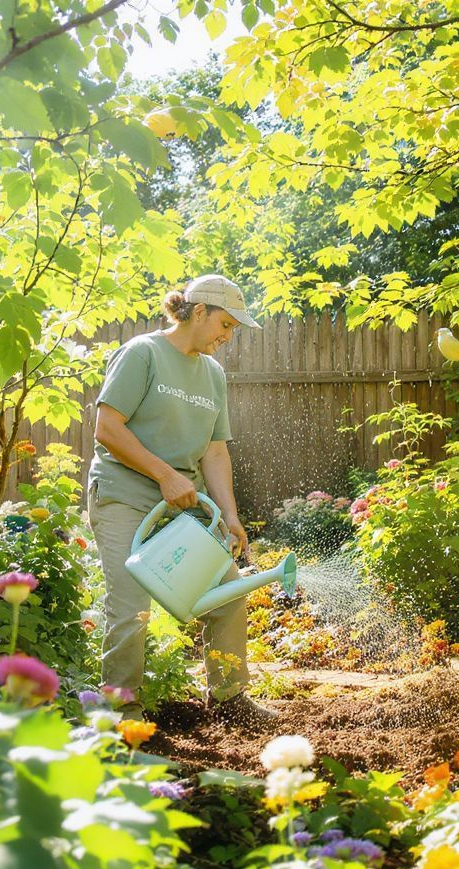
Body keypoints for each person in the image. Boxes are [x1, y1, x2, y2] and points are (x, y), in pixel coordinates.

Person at [87, 274, 275, 724]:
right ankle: (121, 708)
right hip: (124, 496)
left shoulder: (212, 373)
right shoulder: (142, 353)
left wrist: (230, 516)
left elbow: (214, 450)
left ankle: (229, 700)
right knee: (132, 607)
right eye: (225, 325)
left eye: (234, 329)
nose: (228, 337)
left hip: (183, 504)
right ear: (198, 311)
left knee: (227, 593)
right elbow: (107, 429)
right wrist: (164, 475)